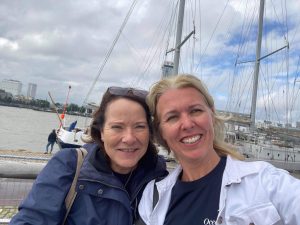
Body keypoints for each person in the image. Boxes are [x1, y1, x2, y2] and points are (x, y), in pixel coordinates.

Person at [137, 74, 300, 225]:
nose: (187, 124)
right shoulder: (152, 198)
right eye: (172, 117)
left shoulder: (267, 182)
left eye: (195, 110)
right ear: (160, 132)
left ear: (212, 115)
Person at [10, 86, 168, 225]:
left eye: (139, 126)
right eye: (117, 127)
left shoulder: (160, 179)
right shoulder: (70, 166)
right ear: (101, 133)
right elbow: (33, 218)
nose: (129, 138)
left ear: (150, 133)